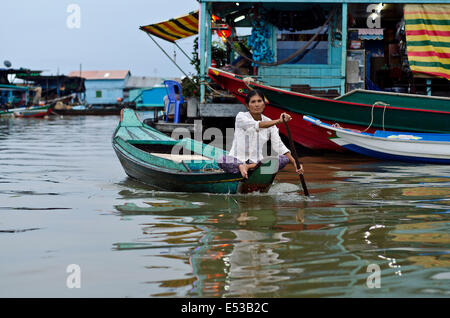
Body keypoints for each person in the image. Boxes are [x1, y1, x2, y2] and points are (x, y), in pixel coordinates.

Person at [219, 89, 304, 179]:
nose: (256, 105)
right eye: (253, 102)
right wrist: (279, 121)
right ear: (247, 106)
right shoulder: (241, 117)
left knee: (284, 159)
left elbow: (279, 146)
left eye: (259, 101)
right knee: (222, 159)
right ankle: (241, 166)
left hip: (257, 164)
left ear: (264, 104)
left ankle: (248, 167)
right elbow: (258, 125)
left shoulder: (270, 123)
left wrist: (295, 163)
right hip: (237, 161)